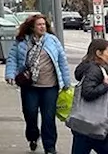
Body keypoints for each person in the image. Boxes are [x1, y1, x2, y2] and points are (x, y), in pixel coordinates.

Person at [5, 13, 72, 153]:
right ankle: (33, 137)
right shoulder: (22, 41)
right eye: (39, 25)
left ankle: (50, 147)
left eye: (44, 25)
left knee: (48, 118)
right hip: (30, 86)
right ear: (32, 27)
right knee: (30, 113)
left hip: (50, 86)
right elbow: (12, 58)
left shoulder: (52, 40)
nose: (42, 27)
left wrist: (66, 82)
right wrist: (10, 74)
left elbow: (62, 62)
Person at [71, 39, 108, 154]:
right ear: (99, 53)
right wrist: (105, 85)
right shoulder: (95, 70)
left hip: (84, 124)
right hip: (96, 124)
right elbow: (87, 92)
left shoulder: (91, 67)